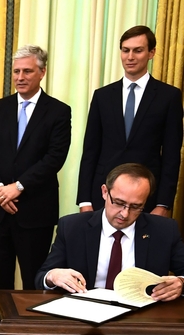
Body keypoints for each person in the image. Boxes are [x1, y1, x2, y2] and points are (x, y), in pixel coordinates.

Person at [35, 163, 184, 335]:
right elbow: (42, 275)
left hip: (135, 332)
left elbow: (183, 271)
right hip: (81, 329)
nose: (124, 214)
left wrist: (180, 282)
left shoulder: (165, 230)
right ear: (105, 192)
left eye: (136, 207)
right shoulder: (72, 226)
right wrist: (55, 275)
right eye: (118, 203)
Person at [0, 45, 72, 335]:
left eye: (27, 71)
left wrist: (17, 187)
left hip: (34, 209)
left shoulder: (58, 111)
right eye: (16, 71)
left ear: (42, 72)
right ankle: (0, 333)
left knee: (34, 277)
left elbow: (54, 158)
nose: (20, 77)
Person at [77, 26, 183, 217]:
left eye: (138, 50)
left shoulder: (169, 97)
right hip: (103, 195)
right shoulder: (102, 96)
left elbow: (171, 156)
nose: (130, 56)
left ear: (151, 53)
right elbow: (90, 151)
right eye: (125, 50)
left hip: (147, 198)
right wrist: (84, 200)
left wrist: (163, 204)